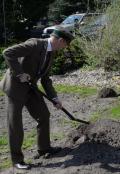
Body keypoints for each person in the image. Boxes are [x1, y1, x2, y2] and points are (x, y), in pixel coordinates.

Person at [0, 26, 74, 170]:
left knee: (43, 115)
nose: (66, 47)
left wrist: (55, 98)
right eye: (66, 44)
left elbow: (45, 78)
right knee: (15, 124)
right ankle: (17, 160)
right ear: (59, 40)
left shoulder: (51, 53)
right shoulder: (34, 44)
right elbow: (7, 52)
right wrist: (20, 73)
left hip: (30, 87)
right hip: (14, 88)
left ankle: (44, 148)